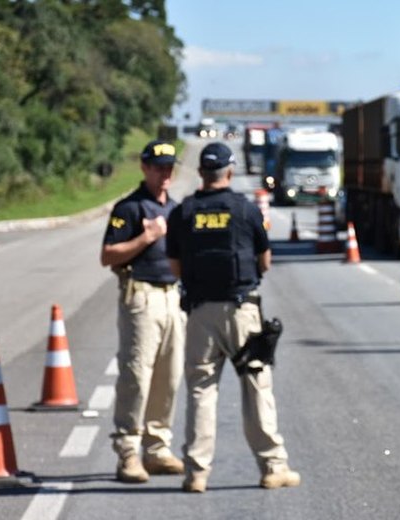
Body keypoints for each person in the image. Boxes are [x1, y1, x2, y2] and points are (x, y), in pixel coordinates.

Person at [165, 142, 300, 493]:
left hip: (199, 314)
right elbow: (265, 261)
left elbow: (174, 266)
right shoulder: (245, 209)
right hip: (242, 311)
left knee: (200, 391)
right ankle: (273, 467)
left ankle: (196, 472)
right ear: (229, 171)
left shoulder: (183, 212)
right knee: (256, 387)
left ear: (201, 173)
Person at [100, 139, 185, 483]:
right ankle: (128, 451)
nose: (164, 173)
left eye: (169, 167)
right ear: (144, 168)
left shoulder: (176, 209)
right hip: (141, 295)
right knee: (136, 375)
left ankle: (157, 447)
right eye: (158, 167)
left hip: (172, 296)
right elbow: (107, 256)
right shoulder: (130, 209)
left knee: (170, 375)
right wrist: (145, 239)